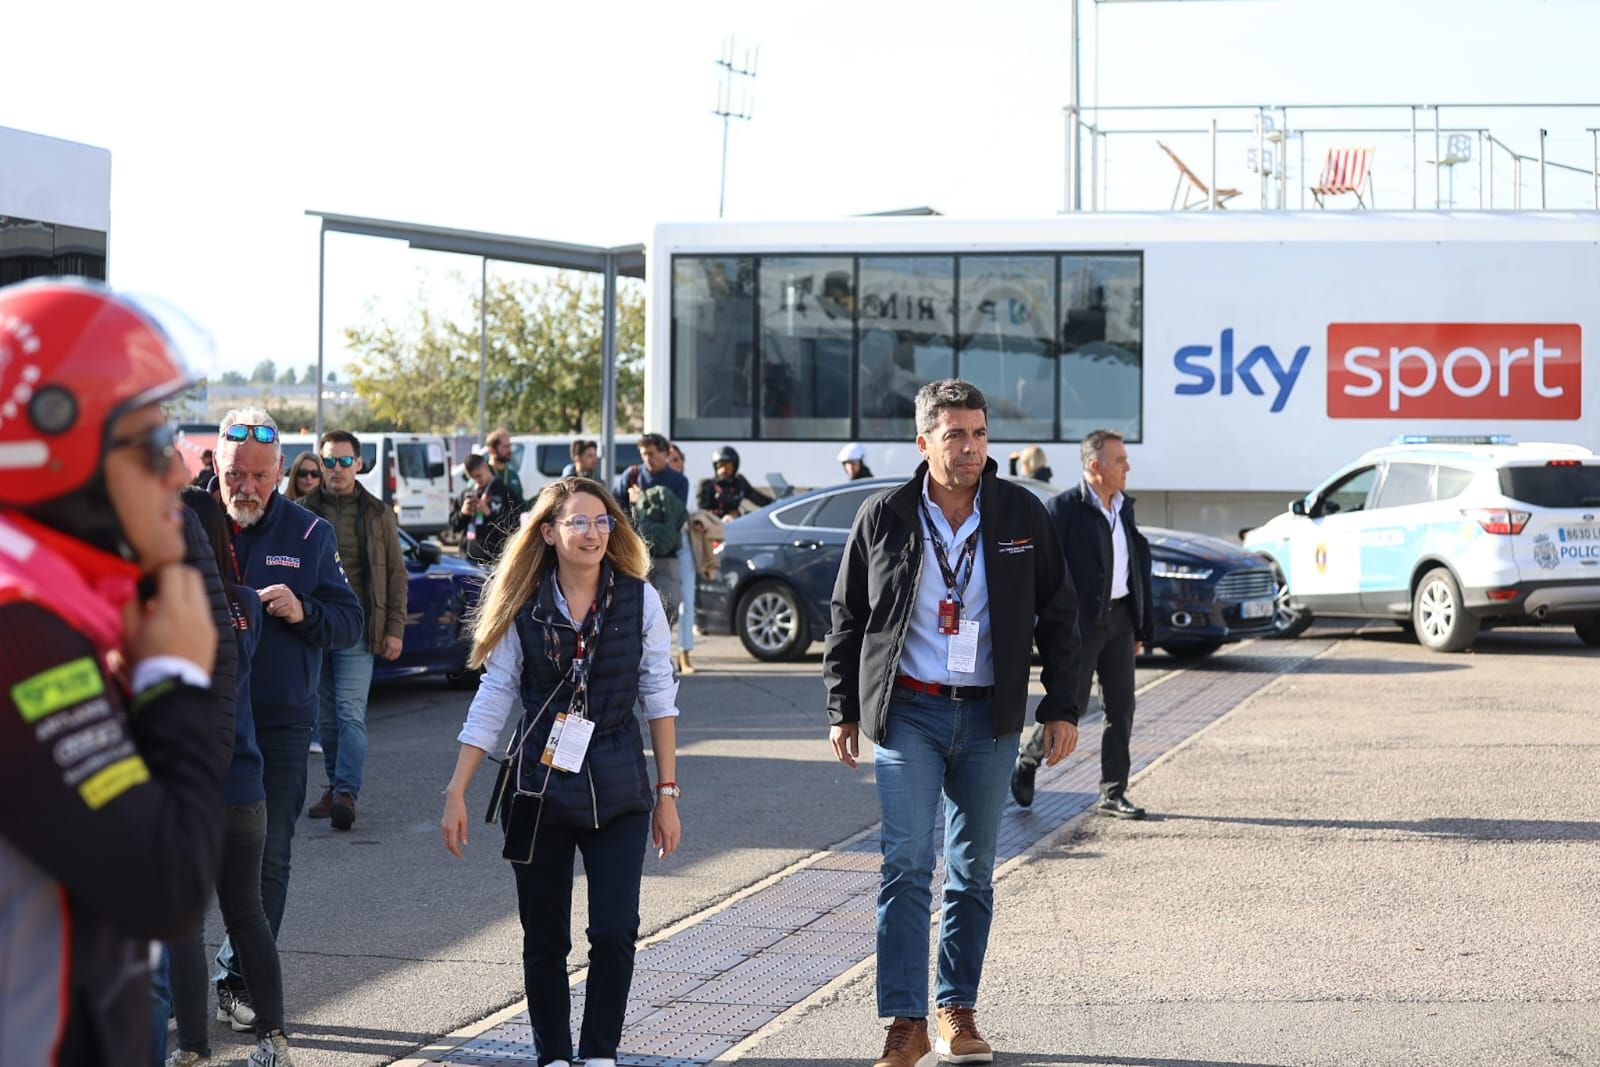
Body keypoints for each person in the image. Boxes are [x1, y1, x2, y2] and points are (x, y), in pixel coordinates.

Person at [824, 379, 1081, 1067]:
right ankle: (904, 1020)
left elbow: (1061, 614)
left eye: (978, 434)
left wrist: (1061, 704)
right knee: (906, 862)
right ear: (924, 442)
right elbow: (848, 613)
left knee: (972, 870)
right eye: (954, 435)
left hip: (991, 716)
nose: (969, 448)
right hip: (909, 709)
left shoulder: (1021, 514)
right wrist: (842, 706)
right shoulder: (884, 514)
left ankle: (956, 1007)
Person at [0, 280, 225, 1065]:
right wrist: (174, 680)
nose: (180, 473)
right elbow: (164, 882)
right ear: (60, 450)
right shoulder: (16, 628)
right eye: (154, 446)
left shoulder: (56, 607)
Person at [440, 478, 682, 1067]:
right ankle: (553, 1054)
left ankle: (599, 1053)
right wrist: (457, 788)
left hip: (621, 788)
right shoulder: (526, 605)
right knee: (545, 939)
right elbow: (495, 695)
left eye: (604, 522)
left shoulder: (638, 598)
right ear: (548, 533)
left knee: (615, 931)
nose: (594, 532)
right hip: (540, 787)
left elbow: (659, 695)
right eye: (579, 522)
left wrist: (668, 794)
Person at [211, 408, 362, 1028]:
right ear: (215, 467)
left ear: (280, 471)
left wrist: (304, 611)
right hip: (199, 723)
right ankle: (167, 989)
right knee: (178, 858)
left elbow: (349, 622)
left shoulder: (309, 535)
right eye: (233, 475)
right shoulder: (189, 524)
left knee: (269, 857)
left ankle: (237, 977)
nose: (246, 489)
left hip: (277, 725)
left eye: (259, 476)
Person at [167, 488, 294, 1067]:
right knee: (247, 914)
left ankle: (193, 1049)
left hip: (187, 791)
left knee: (184, 926)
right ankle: (274, 1040)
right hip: (244, 784)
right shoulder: (244, 600)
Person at [1012, 429, 1154, 820]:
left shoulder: (1123, 507)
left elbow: (1135, 569)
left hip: (1121, 619)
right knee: (1067, 706)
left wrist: (1141, 627)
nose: (1127, 466)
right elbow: (1043, 574)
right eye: (1120, 460)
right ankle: (1028, 760)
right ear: (1096, 466)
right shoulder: (1063, 510)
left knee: (1121, 707)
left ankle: (1113, 791)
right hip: (1080, 625)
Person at [298, 430, 407, 831]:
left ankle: (346, 793)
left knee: (349, 713)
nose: (337, 469)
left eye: (345, 461)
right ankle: (334, 785)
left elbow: (397, 575)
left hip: (358, 630)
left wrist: (394, 628)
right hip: (313, 627)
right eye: (329, 462)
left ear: (359, 464)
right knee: (325, 718)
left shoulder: (378, 513)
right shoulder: (301, 511)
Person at [612, 433, 690, 635]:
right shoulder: (632, 475)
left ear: (665, 453)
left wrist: (642, 501)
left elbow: (676, 517)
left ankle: (661, 646)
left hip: (667, 553)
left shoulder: (679, 481)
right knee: (637, 604)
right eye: (644, 454)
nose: (648, 458)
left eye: (653, 453)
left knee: (670, 601)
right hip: (636, 551)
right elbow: (616, 509)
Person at [452, 452, 518, 565]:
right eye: (472, 478)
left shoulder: (504, 493)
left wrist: (488, 513)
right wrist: (463, 513)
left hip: (493, 559)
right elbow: (453, 526)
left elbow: (513, 526)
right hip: (468, 558)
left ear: (485, 467)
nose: (477, 480)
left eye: (478, 476)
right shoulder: (467, 493)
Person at [666, 444, 698, 673]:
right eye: (672, 460)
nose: (676, 464)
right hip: (664, 548)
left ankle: (684, 654)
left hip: (684, 544)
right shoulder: (663, 484)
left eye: (678, 459)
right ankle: (663, 655)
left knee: (688, 601)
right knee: (664, 604)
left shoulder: (685, 484)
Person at [697, 446, 772, 520]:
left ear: (735, 467)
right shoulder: (706, 485)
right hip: (714, 526)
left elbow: (758, 498)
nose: (723, 470)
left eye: (728, 466)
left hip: (736, 525)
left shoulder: (739, 482)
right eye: (720, 465)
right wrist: (724, 516)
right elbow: (702, 513)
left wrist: (776, 503)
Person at [485, 427, 524, 506]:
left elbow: (520, 504)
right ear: (491, 450)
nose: (510, 450)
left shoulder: (512, 474)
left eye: (510, 446)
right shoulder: (482, 472)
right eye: (505, 447)